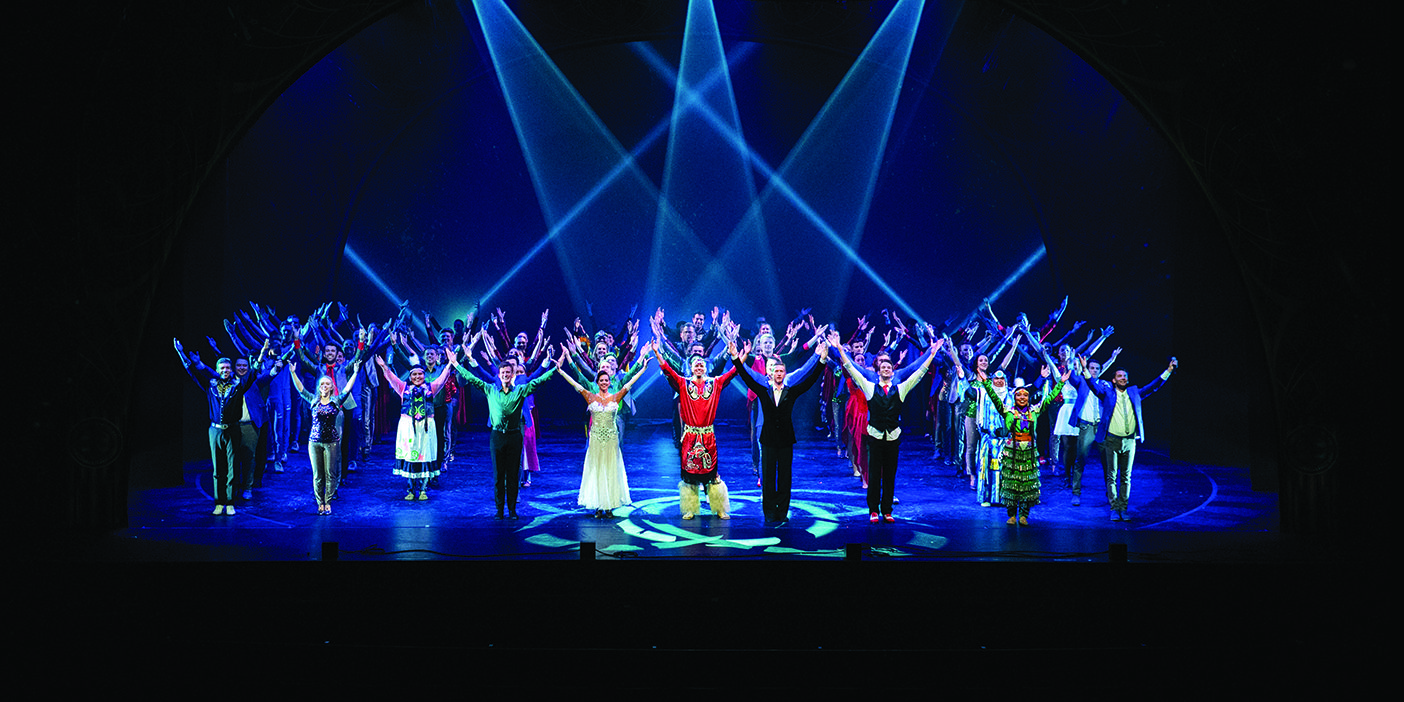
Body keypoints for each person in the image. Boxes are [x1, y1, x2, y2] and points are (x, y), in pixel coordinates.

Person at [834, 329, 945, 522]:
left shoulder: (900, 388)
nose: (887, 369)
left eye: (889, 367)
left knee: (890, 475)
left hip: (893, 437)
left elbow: (918, 374)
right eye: (883, 367)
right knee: (874, 474)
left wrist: (932, 354)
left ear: (893, 372)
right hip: (875, 436)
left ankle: (887, 509)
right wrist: (839, 349)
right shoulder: (869, 387)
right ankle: (873, 510)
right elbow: (851, 369)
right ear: (878, 372)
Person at [729, 337, 829, 525]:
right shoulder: (763, 390)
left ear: (785, 373)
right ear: (771, 374)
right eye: (776, 371)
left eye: (782, 371)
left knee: (784, 478)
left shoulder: (791, 391)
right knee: (768, 478)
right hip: (767, 440)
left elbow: (810, 380)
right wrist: (736, 358)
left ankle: (782, 511)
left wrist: (821, 361)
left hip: (785, 440)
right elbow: (745, 376)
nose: (779, 374)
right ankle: (769, 512)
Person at [451, 347, 557, 520]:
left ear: (513, 374)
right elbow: (472, 378)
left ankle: (512, 510)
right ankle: (499, 510)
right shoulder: (490, 389)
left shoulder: (520, 390)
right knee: (499, 476)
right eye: (503, 372)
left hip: (515, 436)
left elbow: (538, 382)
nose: (505, 375)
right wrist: (456, 364)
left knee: (514, 475)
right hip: (497, 437)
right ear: (499, 375)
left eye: (508, 372)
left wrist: (554, 369)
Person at [175, 338, 268, 515]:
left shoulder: (237, 386)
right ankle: (219, 502)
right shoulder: (210, 386)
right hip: (215, 430)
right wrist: (181, 353)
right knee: (218, 468)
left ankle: (230, 502)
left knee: (233, 467)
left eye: (228, 368)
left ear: (231, 370)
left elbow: (253, 373)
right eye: (222, 369)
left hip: (232, 429)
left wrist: (262, 354)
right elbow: (192, 372)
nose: (225, 371)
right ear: (217, 371)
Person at [651, 338, 738, 520]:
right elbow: (668, 371)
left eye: (702, 365)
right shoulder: (683, 384)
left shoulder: (715, 383)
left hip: (707, 435)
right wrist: (657, 353)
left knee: (712, 473)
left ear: (706, 368)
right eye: (696, 365)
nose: (699, 368)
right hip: (690, 436)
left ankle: (719, 508)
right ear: (691, 368)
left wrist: (739, 356)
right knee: (689, 475)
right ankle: (690, 508)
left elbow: (733, 373)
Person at [1083, 356, 1178, 520]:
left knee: (1126, 476)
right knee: (1111, 476)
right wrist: (1085, 370)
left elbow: (1154, 386)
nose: (1123, 378)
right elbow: (1093, 387)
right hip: (1111, 440)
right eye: (1119, 376)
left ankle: (1123, 508)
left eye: (1125, 376)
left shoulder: (1134, 392)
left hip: (1129, 441)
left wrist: (1168, 371)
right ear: (1114, 380)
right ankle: (1114, 508)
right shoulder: (1107, 393)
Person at [557, 352, 650, 518]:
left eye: (607, 380)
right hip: (596, 440)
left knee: (610, 470)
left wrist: (643, 369)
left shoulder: (615, 396)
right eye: (601, 380)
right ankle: (598, 505)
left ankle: (609, 506)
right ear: (597, 382)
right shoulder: (590, 396)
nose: (604, 382)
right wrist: (561, 372)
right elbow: (576, 382)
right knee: (597, 470)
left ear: (609, 382)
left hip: (612, 440)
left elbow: (629, 383)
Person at [982, 364, 1069, 525]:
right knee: (1011, 483)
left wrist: (1061, 383)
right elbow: (994, 397)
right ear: (1015, 398)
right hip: (1012, 451)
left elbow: (1048, 399)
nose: (1022, 397)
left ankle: (1024, 515)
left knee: (1027, 484)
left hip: (1028, 452)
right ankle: (1011, 514)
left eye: (1025, 395)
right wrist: (987, 383)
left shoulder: (1034, 411)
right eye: (1019, 395)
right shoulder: (1008, 411)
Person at [374, 353, 452, 501]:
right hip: (408, 428)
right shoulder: (404, 388)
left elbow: (442, 379)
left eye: (420, 374)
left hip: (426, 427)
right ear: (410, 376)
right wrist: (384, 367)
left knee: (425, 455)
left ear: (424, 375)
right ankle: (410, 489)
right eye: (414, 374)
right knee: (410, 455)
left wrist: (450, 364)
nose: (417, 377)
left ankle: (423, 489)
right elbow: (392, 378)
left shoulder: (431, 388)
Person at [289, 360, 362, 514]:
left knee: (330, 474)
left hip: (331, 442)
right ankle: (319, 503)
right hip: (314, 442)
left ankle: (328, 502)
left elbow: (348, 389)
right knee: (317, 475)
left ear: (331, 387)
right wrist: (293, 373)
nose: (324, 386)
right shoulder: (313, 400)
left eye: (327, 384)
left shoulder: (336, 401)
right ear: (319, 387)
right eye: (321, 384)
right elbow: (301, 390)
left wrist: (355, 372)